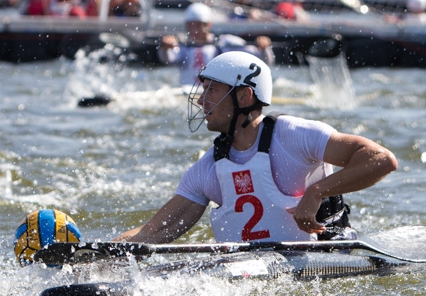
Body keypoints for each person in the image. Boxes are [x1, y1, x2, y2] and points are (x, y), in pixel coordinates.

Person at [114, 51, 398, 244]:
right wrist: (104, 250)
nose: (201, 100)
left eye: (212, 90)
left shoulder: (295, 136)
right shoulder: (207, 169)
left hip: (326, 259)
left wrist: (317, 191)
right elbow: (150, 233)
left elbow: (381, 159)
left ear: (244, 95)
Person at [158, 2, 273, 87]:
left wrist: (264, 48)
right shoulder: (184, 47)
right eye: (191, 26)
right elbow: (168, 59)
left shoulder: (224, 43)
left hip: (215, 96)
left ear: (208, 25)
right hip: (187, 92)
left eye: (198, 25)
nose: (194, 30)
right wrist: (165, 48)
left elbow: (264, 60)